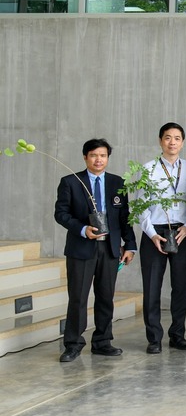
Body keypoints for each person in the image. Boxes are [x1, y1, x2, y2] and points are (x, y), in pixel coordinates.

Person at [55, 138, 137, 362]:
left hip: (110, 249)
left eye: (102, 155)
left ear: (108, 158)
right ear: (85, 157)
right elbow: (61, 214)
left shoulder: (117, 183)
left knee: (105, 297)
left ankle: (102, 342)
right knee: (78, 298)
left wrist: (130, 245)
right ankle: (73, 344)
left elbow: (125, 217)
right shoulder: (71, 182)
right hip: (81, 248)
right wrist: (83, 229)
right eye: (93, 155)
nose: (98, 159)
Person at [137, 123, 186, 354]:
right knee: (152, 287)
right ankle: (154, 338)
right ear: (160, 140)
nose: (172, 142)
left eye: (177, 138)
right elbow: (141, 206)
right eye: (168, 138)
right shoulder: (148, 169)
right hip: (154, 233)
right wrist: (152, 234)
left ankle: (177, 335)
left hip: (182, 233)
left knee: (181, 286)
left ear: (183, 142)